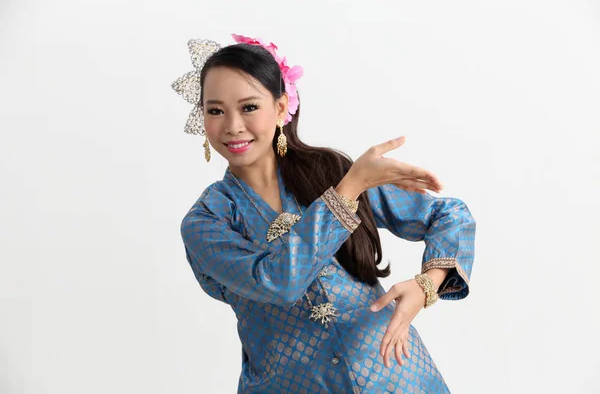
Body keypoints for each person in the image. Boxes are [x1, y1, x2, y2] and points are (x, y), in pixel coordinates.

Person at [173, 34, 476, 394]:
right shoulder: (206, 222)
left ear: (281, 107)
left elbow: (449, 214)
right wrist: (348, 191)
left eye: (249, 107)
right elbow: (278, 282)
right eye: (216, 110)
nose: (233, 125)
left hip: (397, 378)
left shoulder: (330, 172)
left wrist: (428, 284)